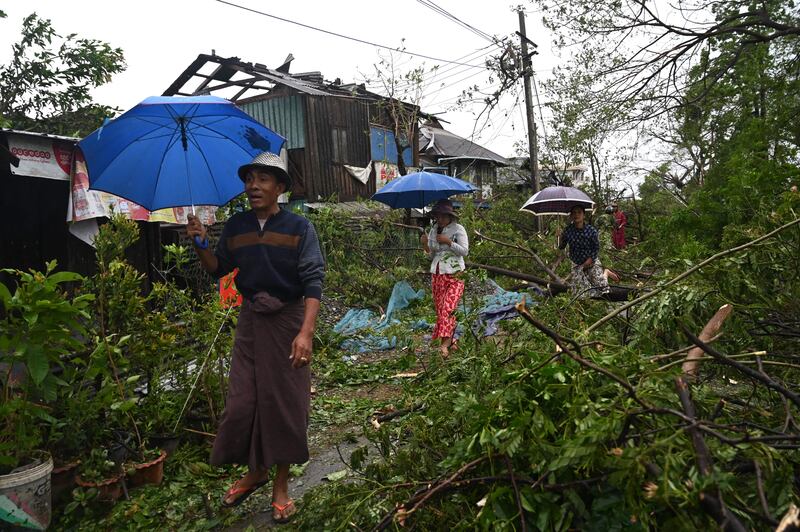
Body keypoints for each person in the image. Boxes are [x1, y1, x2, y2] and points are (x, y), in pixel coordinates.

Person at [186, 151, 324, 523]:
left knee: (284, 405)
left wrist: (306, 333)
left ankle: (280, 485)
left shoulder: (299, 228)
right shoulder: (236, 227)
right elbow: (219, 269)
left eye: (263, 179)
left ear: (280, 188)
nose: (253, 186)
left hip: (289, 320)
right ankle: (256, 470)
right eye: (250, 179)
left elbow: (313, 281)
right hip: (251, 321)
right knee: (244, 401)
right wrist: (201, 243)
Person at [420, 199, 469, 357]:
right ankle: (452, 340)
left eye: (442, 216)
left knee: (449, 308)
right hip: (438, 274)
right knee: (441, 310)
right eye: (437, 216)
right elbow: (432, 255)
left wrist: (449, 242)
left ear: (449, 216)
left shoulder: (458, 229)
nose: (439, 219)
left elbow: (464, 251)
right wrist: (426, 246)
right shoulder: (434, 230)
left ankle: (444, 346)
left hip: (455, 273)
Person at [558, 205, 610, 298]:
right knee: (580, 293)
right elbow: (561, 247)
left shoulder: (591, 231)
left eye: (579, 212)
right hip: (577, 264)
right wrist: (559, 236)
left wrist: (590, 259)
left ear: (583, 215)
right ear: (570, 216)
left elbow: (596, 248)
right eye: (574, 213)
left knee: (603, 289)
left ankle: (606, 273)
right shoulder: (568, 230)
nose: (576, 215)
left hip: (591, 261)